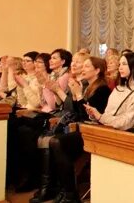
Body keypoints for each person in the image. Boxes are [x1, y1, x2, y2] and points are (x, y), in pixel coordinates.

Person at [40, 57, 110, 203]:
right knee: (53, 141)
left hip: (94, 132)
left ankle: (70, 194)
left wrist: (78, 94)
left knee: (58, 143)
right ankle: (62, 189)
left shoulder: (102, 89)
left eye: (87, 66)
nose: (83, 69)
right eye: (82, 66)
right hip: (81, 127)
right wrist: (75, 93)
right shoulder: (87, 86)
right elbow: (74, 112)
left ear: (97, 70)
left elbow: (88, 116)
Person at [84, 52, 134, 130]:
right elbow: (107, 115)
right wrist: (94, 115)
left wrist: (100, 117)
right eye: (119, 64)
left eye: (124, 64)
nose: (120, 68)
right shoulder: (118, 88)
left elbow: (128, 122)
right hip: (107, 129)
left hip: (123, 135)